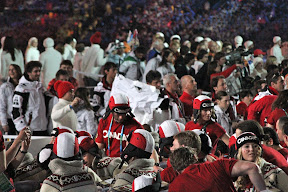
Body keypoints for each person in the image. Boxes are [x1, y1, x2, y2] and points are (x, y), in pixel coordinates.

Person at [169, 146, 268, 192]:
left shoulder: (176, 186)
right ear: (195, 158)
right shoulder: (217, 165)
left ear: (176, 170)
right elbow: (252, 167)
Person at [95, 93, 143, 157]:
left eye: (123, 114)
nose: (121, 117)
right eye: (117, 114)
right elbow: (99, 146)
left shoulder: (136, 127)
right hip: (108, 162)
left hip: (126, 163)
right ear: (111, 111)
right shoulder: (104, 122)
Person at [12, 61, 49, 135]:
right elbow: (16, 111)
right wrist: (22, 128)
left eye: (39, 71)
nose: (38, 73)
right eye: (35, 71)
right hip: (29, 129)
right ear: (28, 72)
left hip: (43, 127)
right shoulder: (21, 89)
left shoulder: (40, 87)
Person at [0, 64, 22, 135]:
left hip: (22, 117)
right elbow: (2, 105)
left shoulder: (24, 85)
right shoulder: (5, 87)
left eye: (13, 70)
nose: (11, 72)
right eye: (9, 70)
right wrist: (4, 122)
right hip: (10, 118)